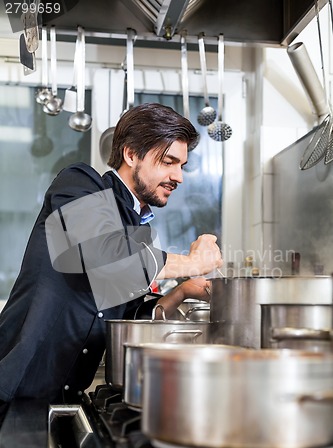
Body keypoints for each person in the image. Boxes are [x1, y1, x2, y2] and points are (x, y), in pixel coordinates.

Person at [0, 102, 222, 416]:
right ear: (131, 155)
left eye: (182, 165)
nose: (179, 177)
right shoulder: (79, 185)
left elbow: (127, 319)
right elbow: (104, 253)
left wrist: (182, 292)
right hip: (15, 392)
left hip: (65, 399)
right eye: (169, 162)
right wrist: (191, 262)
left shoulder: (137, 230)